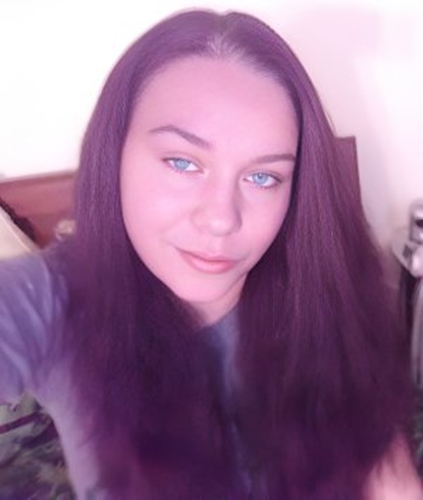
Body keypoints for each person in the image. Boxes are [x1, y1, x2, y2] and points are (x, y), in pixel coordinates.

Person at [0, 8, 421, 499]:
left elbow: (387, 469)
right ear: (113, 155)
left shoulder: (324, 288)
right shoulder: (52, 298)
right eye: (182, 163)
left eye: (263, 177)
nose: (222, 219)